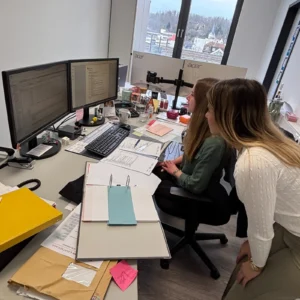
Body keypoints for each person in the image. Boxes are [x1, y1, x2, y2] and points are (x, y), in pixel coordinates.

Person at [205, 78, 300, 300]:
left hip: (294, 237)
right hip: (289, 228)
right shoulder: (269, 142)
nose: (206, 115)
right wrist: (255, 248)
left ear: (225, 116)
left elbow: (261, 231)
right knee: (241, 269)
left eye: (209, 109)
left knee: (241, 293)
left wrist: (257, 265)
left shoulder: (253, 163)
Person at [153, 78, 228, 220]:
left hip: (194, 193)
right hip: (186, 178)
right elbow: (193, 155)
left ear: (203, 103)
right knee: (153, 168)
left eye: (192, 94)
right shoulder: (201, 129)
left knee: (151, 183)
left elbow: (196, 185)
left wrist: (175, 171)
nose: (187, 97)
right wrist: (173, 162)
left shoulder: (214, 143)